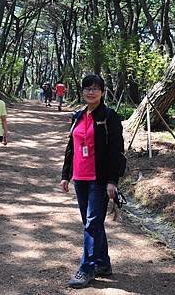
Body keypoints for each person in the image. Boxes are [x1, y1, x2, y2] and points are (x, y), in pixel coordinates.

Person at [60, 74, 126, 289]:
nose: (91, 91)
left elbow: (116, 151)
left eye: (95, 88)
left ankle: (86, 268)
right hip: (80, 177)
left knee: (92, 223)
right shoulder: (78, 115)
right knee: (92, 224)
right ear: (82, 91)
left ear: (103, 92)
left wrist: (112, 181)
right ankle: (103, 263)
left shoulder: (109, 116)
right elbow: (72, 147)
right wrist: (65, 175)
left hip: (99, 179)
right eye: (87, 88)